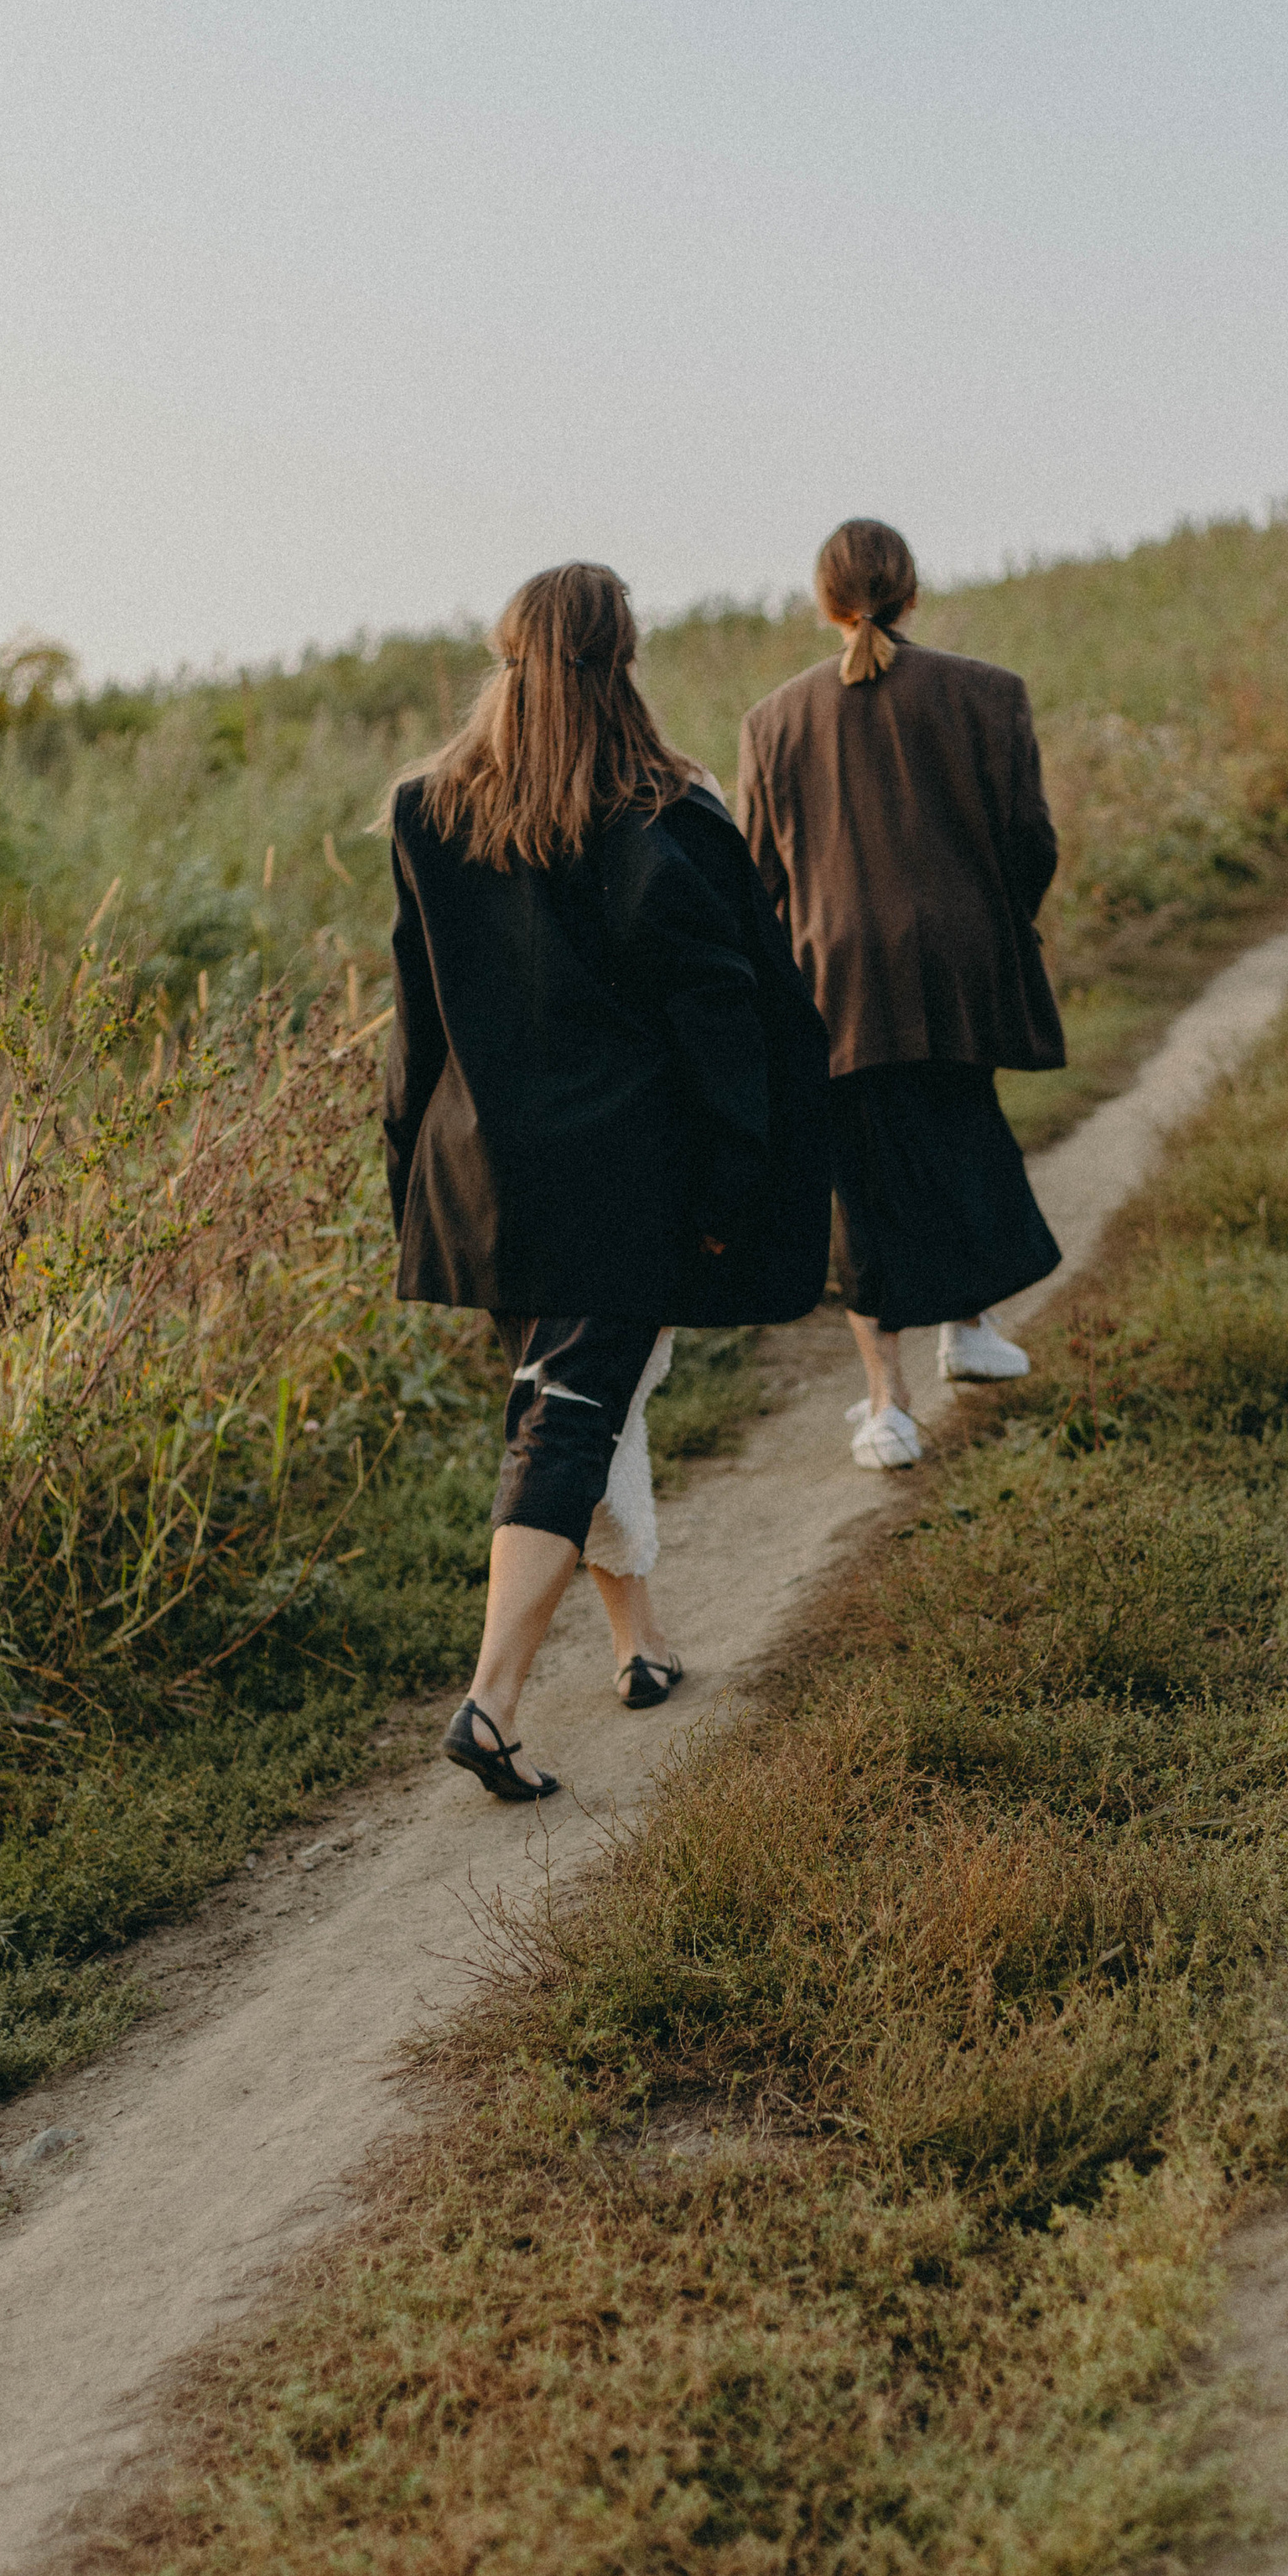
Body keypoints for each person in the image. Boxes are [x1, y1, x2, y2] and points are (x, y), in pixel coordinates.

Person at [382, 562, 828, 1798]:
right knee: (573, 1412)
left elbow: (414, 1026)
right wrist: (742, 1183)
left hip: (480, 1175)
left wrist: (407, 1181)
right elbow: (728, 1015)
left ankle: (639, 1644)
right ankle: (490, 1700)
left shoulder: (429, 810)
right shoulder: (668, 813)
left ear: (507, 650)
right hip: (627, 1175)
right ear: (623, 655)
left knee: (582, 1396)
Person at [735, 518, 1065, 1467]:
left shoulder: (772, 722)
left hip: (834, 983)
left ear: (824, 601)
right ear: (910, 592)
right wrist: (992, 924)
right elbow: (1030, 842)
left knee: (868, 1186)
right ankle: (968, 1330)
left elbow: (760, 877)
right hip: (958, 965)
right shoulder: (986, 693)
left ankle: (889, 1407)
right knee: (961, 1136)